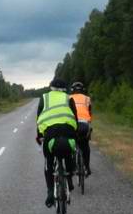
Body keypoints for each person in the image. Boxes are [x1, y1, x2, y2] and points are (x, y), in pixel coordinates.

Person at [36, 78, 78, 207]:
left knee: (48, 161)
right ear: (64, 88)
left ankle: (50, 192)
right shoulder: (68, 98)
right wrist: (74, 135)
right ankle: (69, 178)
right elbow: (74, 117)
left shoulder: (44, 98)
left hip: (50, 133)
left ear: (51, 87)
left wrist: (39, 136)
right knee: (70, 152)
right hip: (67, 130)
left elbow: (39, 117)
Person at [69, 81, 92, 176]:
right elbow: (90, 113)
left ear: (72, 90)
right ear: (83, 90)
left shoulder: (69, 98)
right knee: (85, 145)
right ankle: (87, 167)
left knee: (70, 144)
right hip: (84, 124)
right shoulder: (87, 99)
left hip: (72, 124)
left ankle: (71, 167)